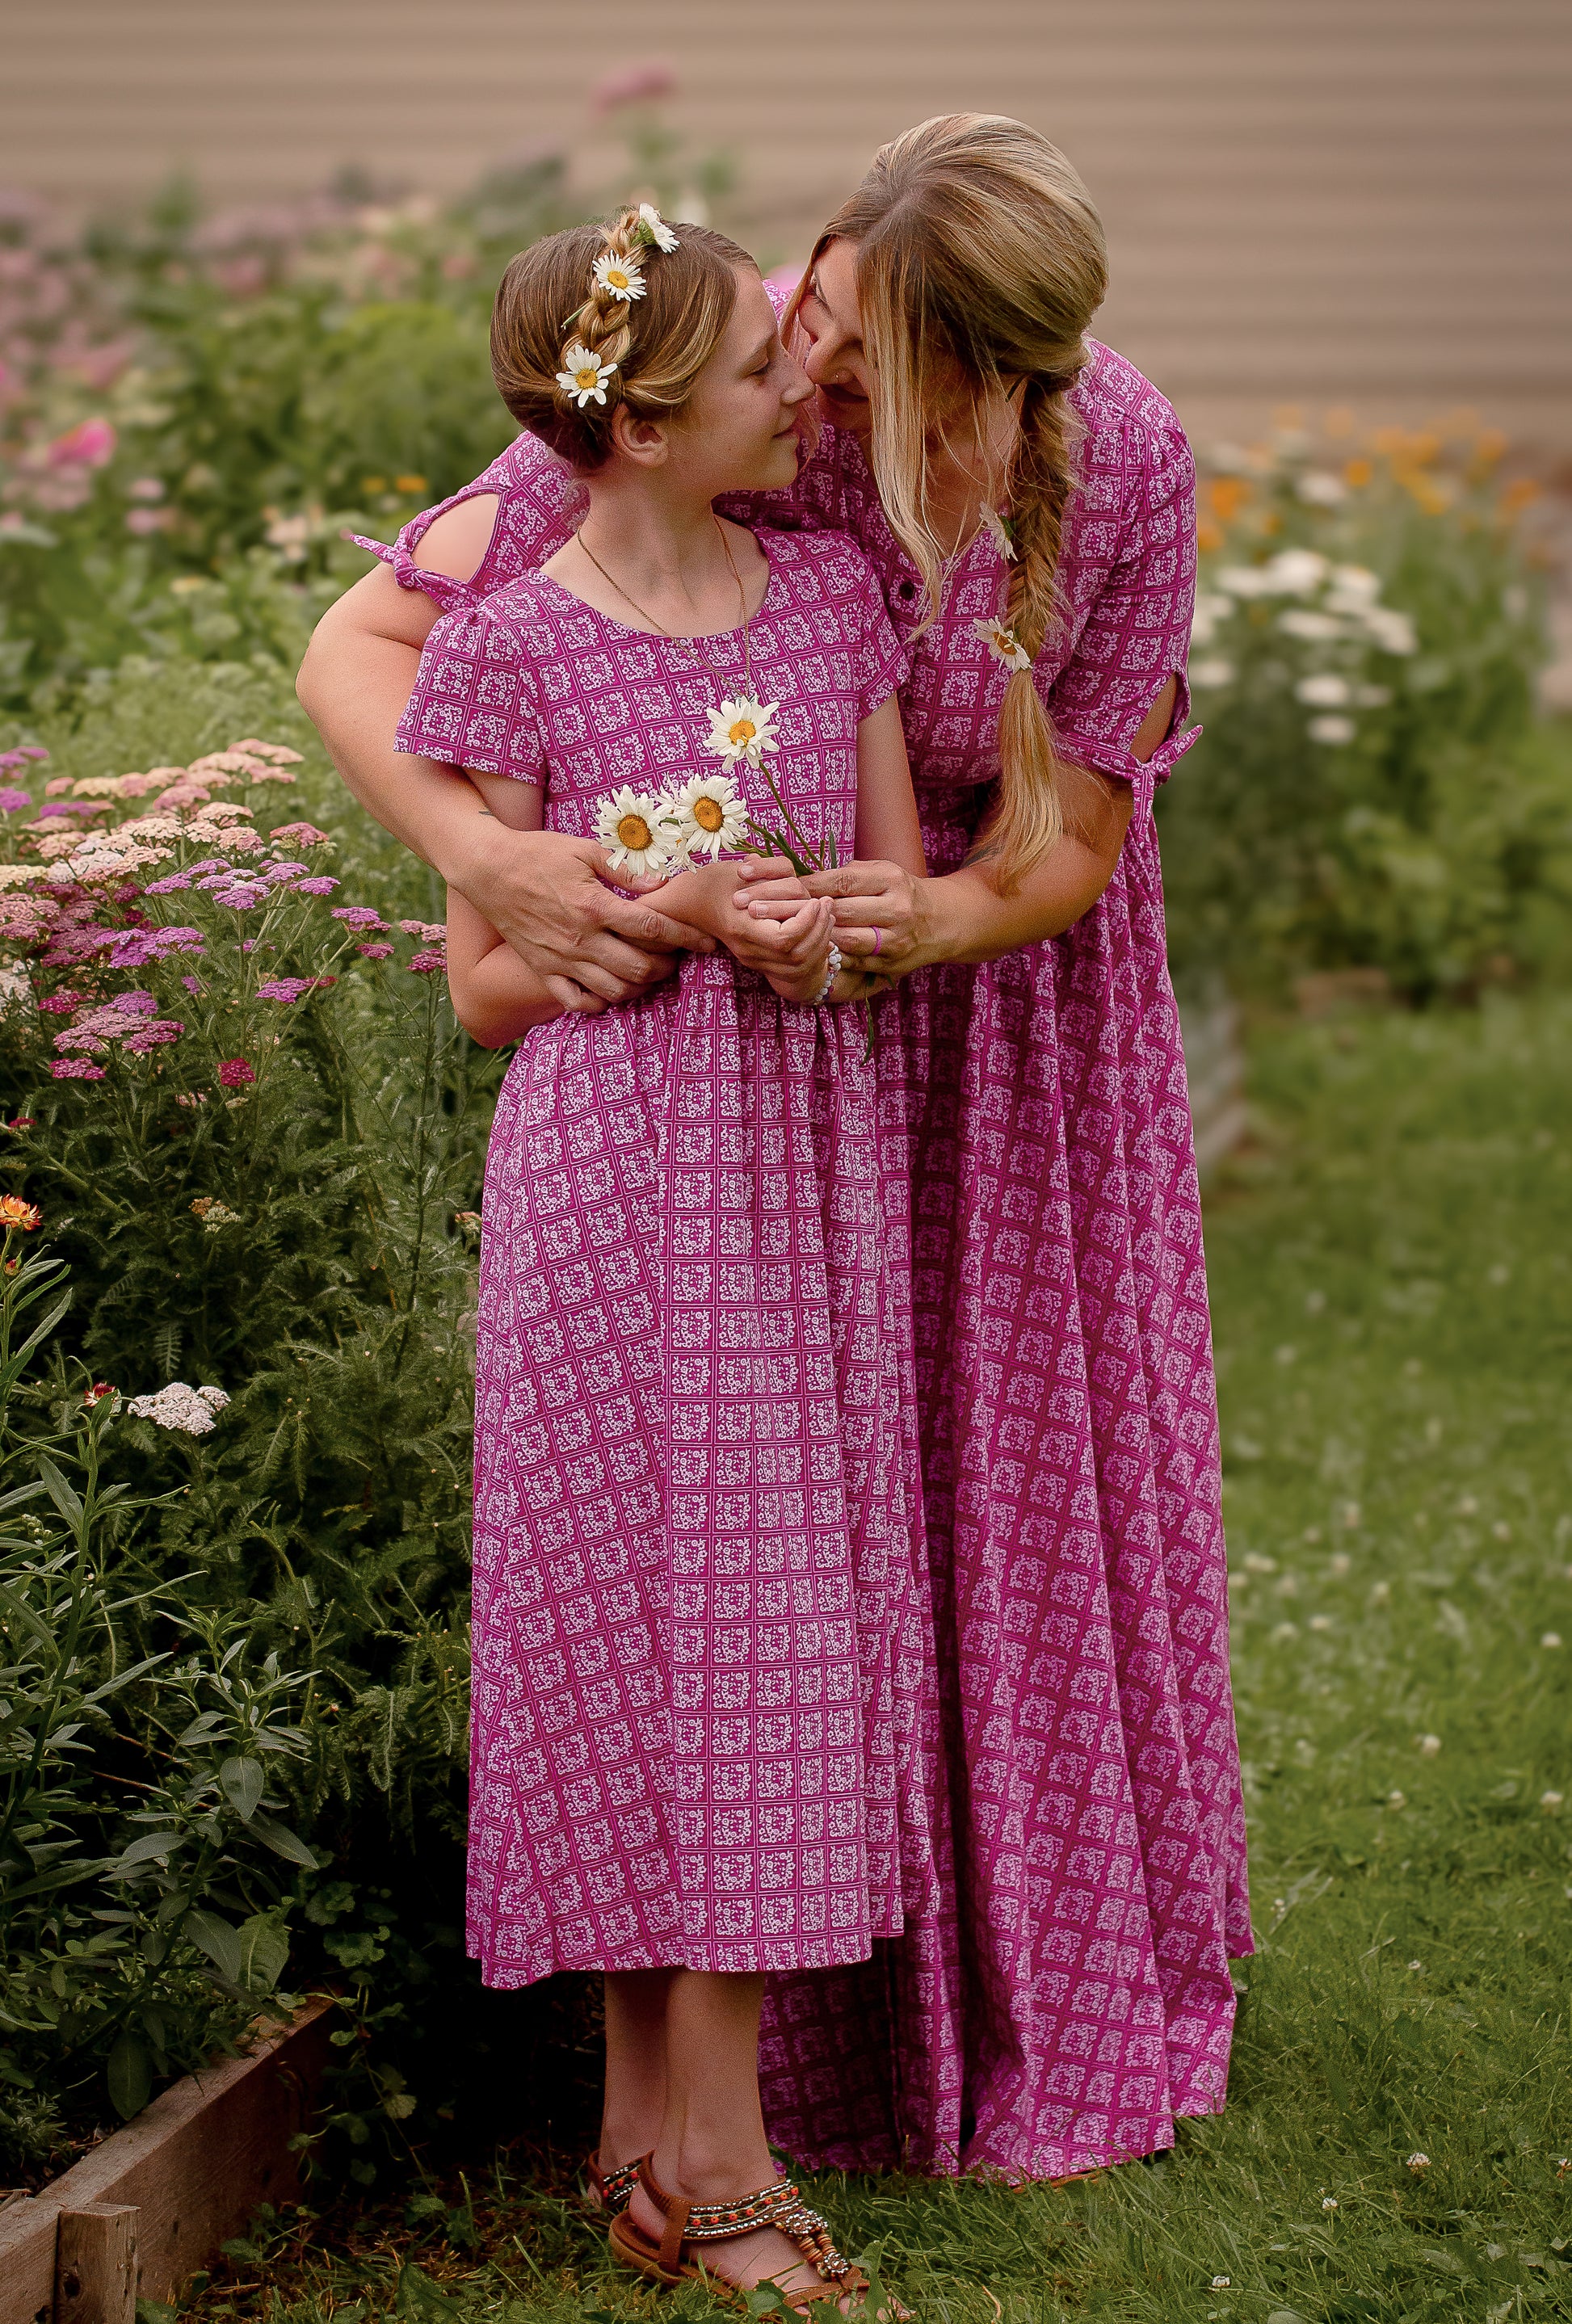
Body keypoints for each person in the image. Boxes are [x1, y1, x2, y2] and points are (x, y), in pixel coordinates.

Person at [299, 113, 1250, 2186]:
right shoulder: (717, 398)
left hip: (998, 1026)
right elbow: (368, 645)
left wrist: (937, 915)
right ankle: (734, 2100)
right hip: (709, 1073)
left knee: (988, 1481)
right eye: (803, 319)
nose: (809, 379)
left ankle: (1000, 1991)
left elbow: (1074, 832)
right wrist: (497, 862)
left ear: (987, 392)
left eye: (852, 366)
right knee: (748, 1522)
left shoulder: (1122, 470)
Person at [387, 202, 931, 2315]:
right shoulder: (516, 638)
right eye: (749, 376)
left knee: (773, 1634)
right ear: (627, 427)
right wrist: (671, 905)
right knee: (632, 1623)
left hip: (802, 1172)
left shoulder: (827, 602)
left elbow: (882, 891)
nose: (796, 387)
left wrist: (818, 918)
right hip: (612, 1185)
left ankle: (676, 2136)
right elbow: (480, 990)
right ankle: (698, 2153)